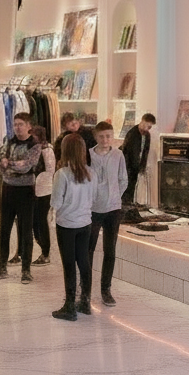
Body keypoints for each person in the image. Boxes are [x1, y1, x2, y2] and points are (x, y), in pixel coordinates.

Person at [0, 112, 41, 284]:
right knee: (3, 230)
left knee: (26, 231)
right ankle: (1, 266)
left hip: (25, 191)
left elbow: (27, 166)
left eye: (21, 124)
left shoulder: (34, 144)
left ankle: (26, 269)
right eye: (15, 124)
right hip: (8, 189)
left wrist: (9, 163)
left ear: (28, 126)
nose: (17, 127)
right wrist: (7, 166)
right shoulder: (8, 141)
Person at [50, 134, 94, 321]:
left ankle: (69, 306)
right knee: (84, 262)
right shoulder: (92, 173)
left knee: (69, 265)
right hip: (85, 222)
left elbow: (56, 202)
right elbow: (94, 198)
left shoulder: (62, 174)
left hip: (67, 224)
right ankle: (85, 302)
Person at [88, 121, 128, 306]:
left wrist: (114, 196)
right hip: (93, 209)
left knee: (109, 250)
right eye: (102, 136)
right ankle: (85, 288)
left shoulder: (118, 154)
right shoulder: (88, 155)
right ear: (96, 137)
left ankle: (106, 289)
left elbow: (123, 179)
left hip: (113, 209)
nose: (105, 140)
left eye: (109, 136)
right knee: (88, 249)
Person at [29, 125, 56, 265]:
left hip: (44, 191)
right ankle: (43, 249)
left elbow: (50, 170)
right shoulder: (35, 149)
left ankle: (45, 252)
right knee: (35, 222)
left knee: (40, 221)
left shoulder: (47, 150)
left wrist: (37, 181)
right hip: (34, 190)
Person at [121, 112, 156, 204]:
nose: (146, 128)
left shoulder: (147, 135)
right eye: (145, 125)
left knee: (133, 187)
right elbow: (127, 152)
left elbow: (145, 152)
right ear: (141, 121)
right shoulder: (132, 133)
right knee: (126, 188)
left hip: (136, 165)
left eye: (149, 127)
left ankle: (129, 204)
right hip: (128, 165)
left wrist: (142, 166)